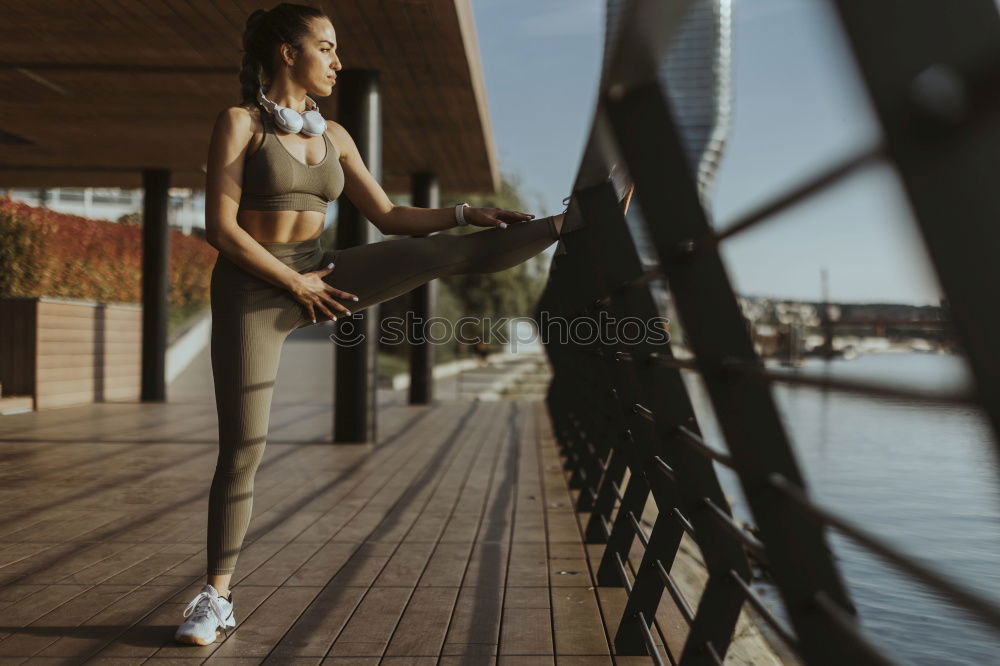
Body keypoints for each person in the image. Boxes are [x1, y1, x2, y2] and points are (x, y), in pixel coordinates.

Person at [172, 2, 623, 646]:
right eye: (325, 47)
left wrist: (465, 211)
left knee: (440, 253)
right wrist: (293, 282)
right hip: (254, 290)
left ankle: (572, 221)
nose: (337, 60)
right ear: (285, 52)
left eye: (337, 49)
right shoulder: (240, 123)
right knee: (243, 449)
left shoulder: (338, 137)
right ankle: (215, 597)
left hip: (322, 270)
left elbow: (387, 216)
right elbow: (221, 229)